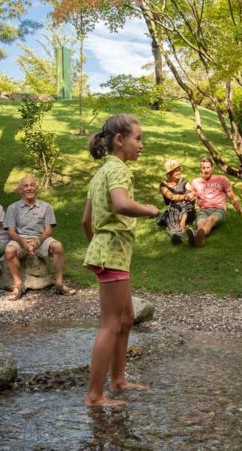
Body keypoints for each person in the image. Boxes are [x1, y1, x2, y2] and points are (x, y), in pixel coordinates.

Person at [82, 114, 159, 407]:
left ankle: (118, 380)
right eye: (137, 139)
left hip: (110, 252)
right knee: (111, 325)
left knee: (126, 319)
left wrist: (96, 245)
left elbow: (86, 220)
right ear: (119, 140)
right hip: (112, 253)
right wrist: (151, 210)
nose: (141, 145)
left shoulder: (100, 172)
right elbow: (121, 204)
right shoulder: (118, 170)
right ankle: (94, 395)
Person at [3, 175, 76, 301]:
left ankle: (59, 283)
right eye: (25, 186)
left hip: (41, 238)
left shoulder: (46, 207)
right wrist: (23, 242)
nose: (29, 188)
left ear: (37, 188)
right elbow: (11, 232)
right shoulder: (12, 208)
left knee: (57, 246)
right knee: (9, 250)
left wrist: (38, 241)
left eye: (32, 185)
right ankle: (18, 284)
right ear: (20, 189)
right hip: (21, 238)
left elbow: (48, 230)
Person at [187, 157, 242, 247]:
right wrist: (192, 197)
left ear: (212, 168)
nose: (206, 170)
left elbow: (232, 197)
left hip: (218, 209)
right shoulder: (196, 182)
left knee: (210, 220)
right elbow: (192, 195)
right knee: (200, 223)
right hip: (203, 210)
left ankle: (196, 237)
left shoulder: (222, 179)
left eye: (208, 167)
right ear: (201, 169)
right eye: (203, 168)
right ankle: (199, 240)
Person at [158, 159, 197, 245]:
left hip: (187, 210)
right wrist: (185, 196)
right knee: (172, 216)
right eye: (175, 171)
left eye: (179, 170)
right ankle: (176, 235)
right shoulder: (163, 186)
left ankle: (182, 225)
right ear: (169, 173)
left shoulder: (184, 181)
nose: (178, 172)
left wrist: (191, 195)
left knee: (186, 204)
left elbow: (191, 191)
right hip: (174, 209)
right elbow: (172, 197)